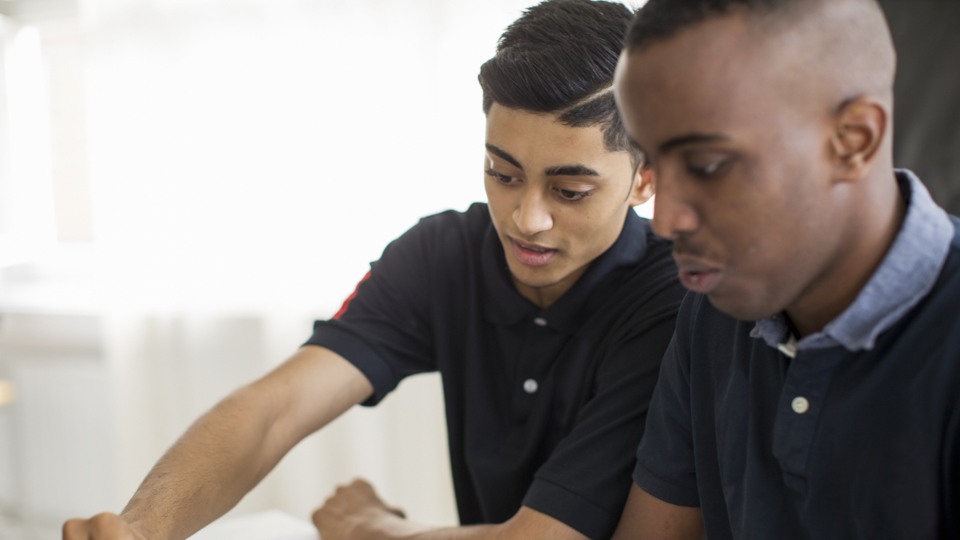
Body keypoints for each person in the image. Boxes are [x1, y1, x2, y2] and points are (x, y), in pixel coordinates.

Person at [62, 1, 685, 539]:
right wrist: (143, 527)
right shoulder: (441, 254)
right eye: (503, 174)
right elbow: (273, 408)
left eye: (570, 191)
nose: (526, 219)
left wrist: (373, 529)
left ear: (644, 180)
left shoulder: (673, 303)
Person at [610, 0, 960, 538]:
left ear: (854, 140)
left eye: (707, 166)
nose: (665, 222)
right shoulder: (712, 315)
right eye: (652, 165)